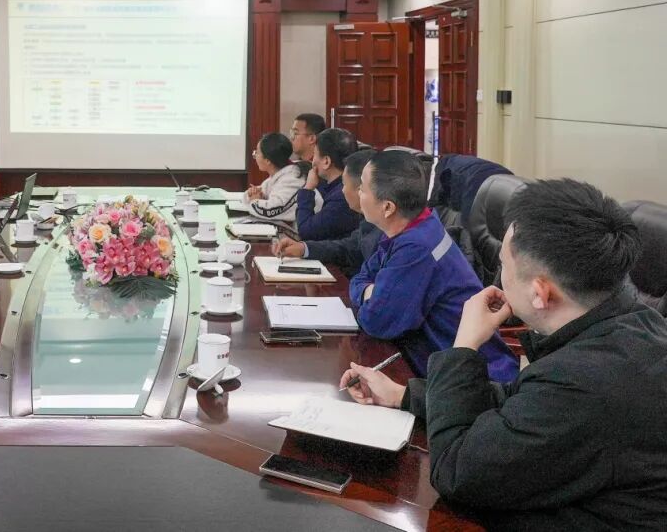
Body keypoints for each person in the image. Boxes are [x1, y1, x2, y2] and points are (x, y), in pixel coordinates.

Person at [341, 179, 667, 530]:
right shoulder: (634, 322)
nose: (498, 279)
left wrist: (465, 344)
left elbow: (455, 472)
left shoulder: (585, 381)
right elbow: (521, 403)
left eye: (504, 267)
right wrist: (405, 395)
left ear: (540, 293)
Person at [350, 150, 517, 381]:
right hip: (437, 365)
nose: (358, 192)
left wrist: (368, 292)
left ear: (387, 207)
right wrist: (369, 291)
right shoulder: (420, 224)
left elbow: (377, 321)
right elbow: (361, 277)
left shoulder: (416, 247)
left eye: (363, 188)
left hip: (473, 379)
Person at [273, 149, 380, 276]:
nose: (342, 190)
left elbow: (307, 231)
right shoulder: (370, 221)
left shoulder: (386, 230)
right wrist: (303, 248)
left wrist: (308, 190)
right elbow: (348, 248)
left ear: (360, 190)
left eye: (344, 184)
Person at [294, 128, 362, 241]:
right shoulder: (332, 186)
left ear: (326, 161)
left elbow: (306, 231)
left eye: (314, 155)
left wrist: (308, 189)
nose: (312, 161)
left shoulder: (341, 196)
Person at [243, 132, 306, 224]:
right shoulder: (278, 175)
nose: (255, 155)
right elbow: (256, 193)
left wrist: (254, 201)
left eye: (257, 152)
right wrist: (252, 194)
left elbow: (271, 210)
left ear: (268, 160)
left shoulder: (292, 179)